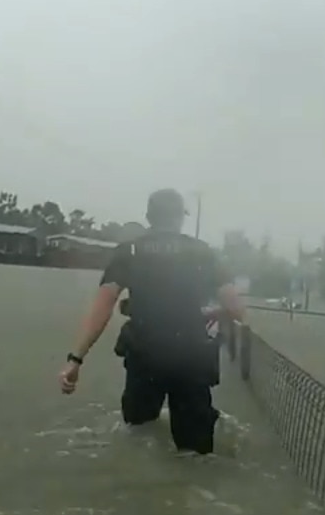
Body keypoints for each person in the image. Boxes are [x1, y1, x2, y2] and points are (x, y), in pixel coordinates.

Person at [59, 188, 246, 455]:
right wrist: (214, 314)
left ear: (149, 217)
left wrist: (75, 359)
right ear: (180, 218)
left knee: (137, 434)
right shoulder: (202, 252)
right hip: (192, 357)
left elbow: (104, 305)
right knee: (196, 451)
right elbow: (237, 308)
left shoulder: (130, 251)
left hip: (145, 357)